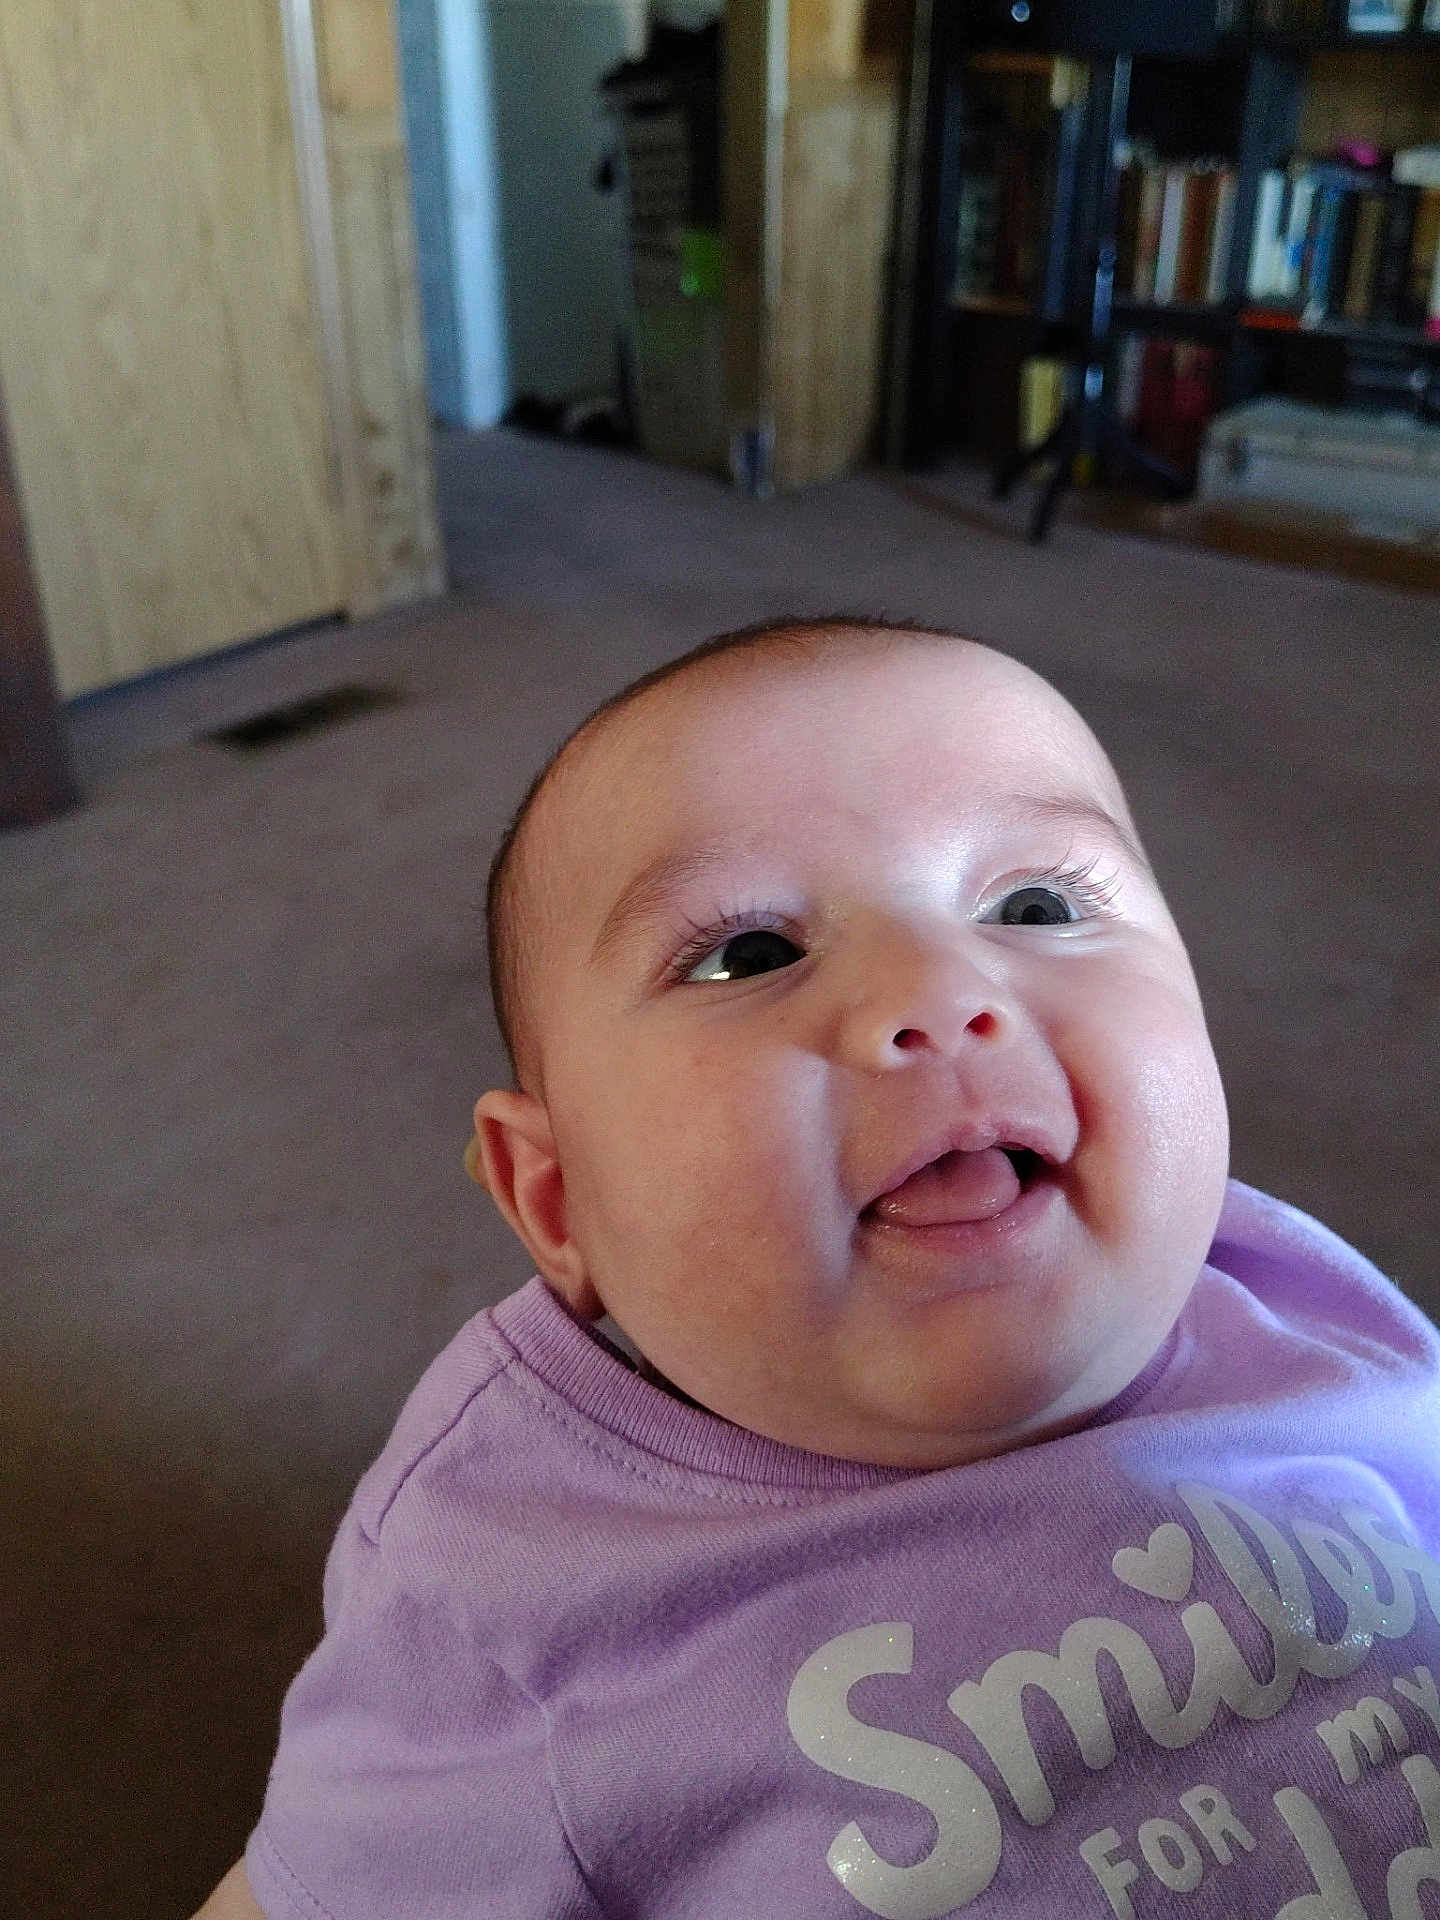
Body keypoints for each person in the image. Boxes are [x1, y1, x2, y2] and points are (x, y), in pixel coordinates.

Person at [196, 618, 1440, 1920]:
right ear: (561, 1204)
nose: (942, 988)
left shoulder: (1312, 1317)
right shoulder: (515, 1600)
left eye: (1035, 905)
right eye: (750, 952)